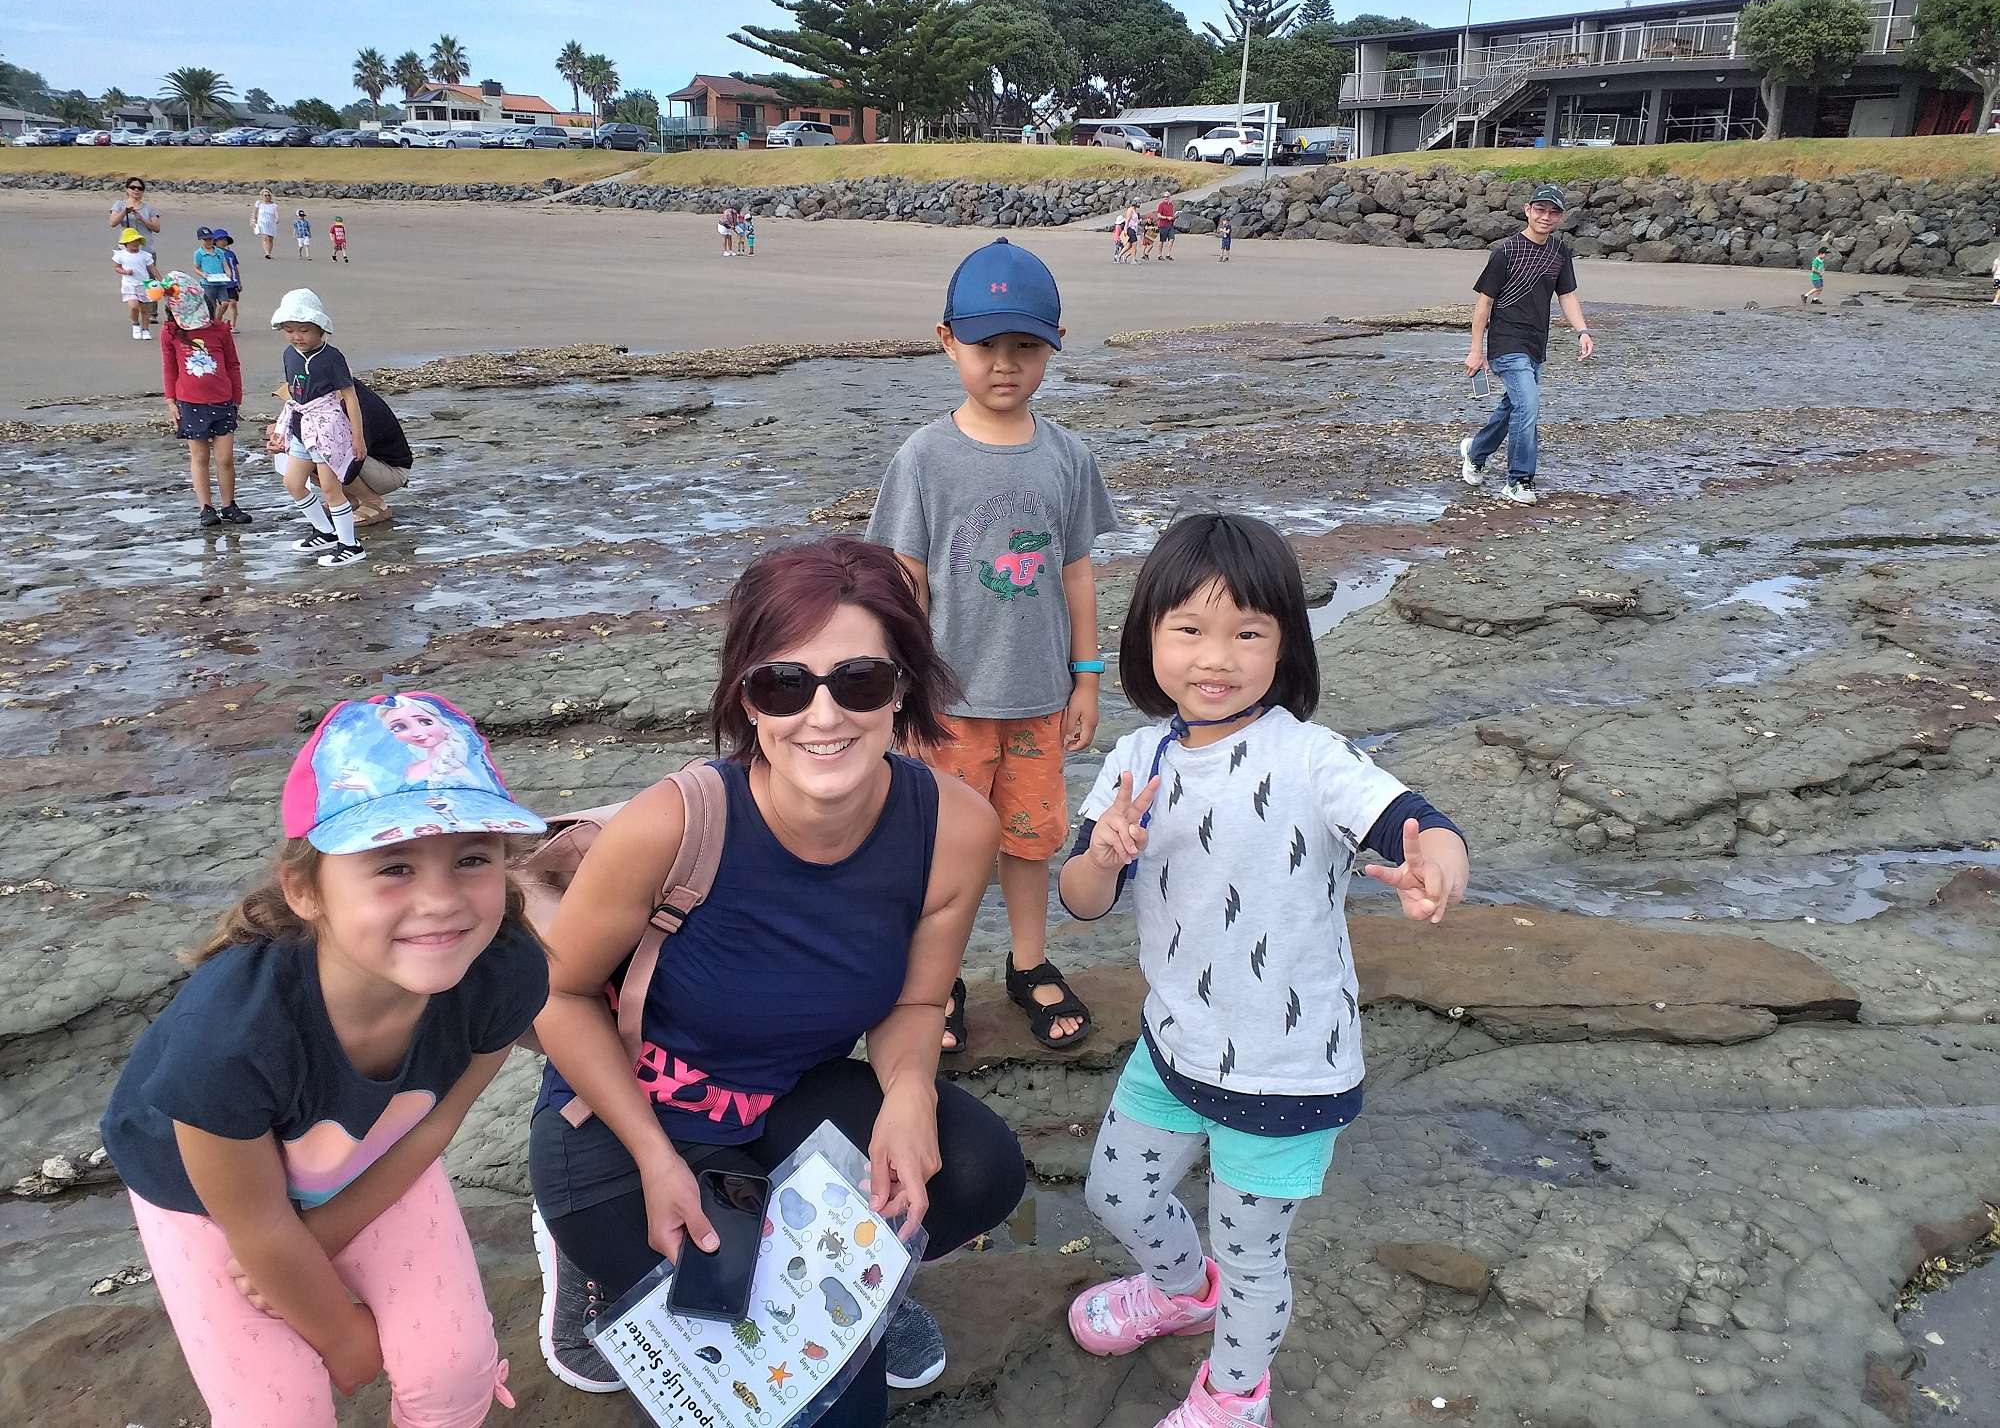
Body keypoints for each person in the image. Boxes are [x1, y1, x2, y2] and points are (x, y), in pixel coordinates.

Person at [529, 537, 1025, 1424]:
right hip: (629, 1121)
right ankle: (591, 1265)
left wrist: (909, 1093)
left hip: (785, 1095)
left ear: (903, 686)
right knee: (813, 1398)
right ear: (746, 697)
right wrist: (653, 1158)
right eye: (784, 684)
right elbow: (557, 995)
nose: (823, 715)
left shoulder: (952, 828)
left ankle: (856, 1284)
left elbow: (917, 1001)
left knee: (978, 1169)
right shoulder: (671, 826)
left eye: (860, 681)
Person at [1059, 512, 1469, 1428]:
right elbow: (1081, 900)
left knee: (1251, 1257)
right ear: (1147, 637)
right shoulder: (1136, 759)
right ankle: (1179, 1291)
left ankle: (1236, 1396)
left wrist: (1438, 868)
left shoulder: (1312, 759)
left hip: (1286, 1070)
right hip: (1173, 1045)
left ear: (1285, 646)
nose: (1217, 658)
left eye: (1248, 633)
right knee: (1116, 1194)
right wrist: (1104, 854)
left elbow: (1420, 823)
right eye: (1189, 629)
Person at [97, 691, 550, 1427]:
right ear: (306, 891)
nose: (441, 900)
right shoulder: (229, 1039)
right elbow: (257, 1228)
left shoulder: (505, 972)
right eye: (393, 867)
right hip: (206, 1201)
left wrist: (327, 1233)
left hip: (371, 1157)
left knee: (453, 1369)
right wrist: (343, 1336)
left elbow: (436, 1126)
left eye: (472, 859)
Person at [867, 237, 1118, 1054]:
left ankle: (1029, 961)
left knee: (1031, 839)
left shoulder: (1068, 456)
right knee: (943, 848)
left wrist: (1088, 678)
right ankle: (937, 977)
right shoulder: (923, 458)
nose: (1005, 365)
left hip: (1039, 698)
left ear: (1054, 346)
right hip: (947, 703)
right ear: (948, 342)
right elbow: (904, 583)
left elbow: (1075, 574)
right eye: (985, 346)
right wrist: (898, 690)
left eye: (1025, 348)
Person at [1458, 182, 1593, 507]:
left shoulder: (1559, 252)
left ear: (1561, 217)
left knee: (1515, 407)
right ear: (1528, 211)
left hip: (1535, 344)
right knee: (1529, 405)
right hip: (1506, 343)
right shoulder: (1505, 252)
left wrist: (1582, 331)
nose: (1546, 217)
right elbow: (1484, 303)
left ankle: (1475, 451)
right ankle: (1519, 481)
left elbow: (1567, 295)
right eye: (1540, 210)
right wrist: (1476, 350)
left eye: (1553, 212)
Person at [271, 288, 368, 567]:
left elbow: (350, 396)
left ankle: (350, 545)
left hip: (327, 427)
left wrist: (357, 437)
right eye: (289, 330)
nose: (297, 337)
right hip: (302, 425)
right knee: (292, 482)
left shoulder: (331, 357)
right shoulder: (289, 355)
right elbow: (293, 392)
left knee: (330, 487)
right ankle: (325, 531)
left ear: (320, 328)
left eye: (304, 330)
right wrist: (282, 429)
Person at [158, 272, 249, 528]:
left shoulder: (219, 330)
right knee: (199, 457)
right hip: (190, 402)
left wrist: (237, 397)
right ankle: (206, 507)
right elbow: (169, 368)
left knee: (225, 458)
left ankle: (229, 505)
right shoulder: (171, 333)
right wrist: (171, 401)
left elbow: (233, 365)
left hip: (223, 401)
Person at [268, 379, 414, 528]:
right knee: (302, 451)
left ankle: (372, 502)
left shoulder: (356, 405)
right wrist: (283, 435)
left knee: (322, 450)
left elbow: (355, 450)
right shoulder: (328, 404)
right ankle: (348, 498)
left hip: (390, 471)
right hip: (369, 465)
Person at [109, 177, 163, 326]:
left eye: (139, 188)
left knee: (150, 280)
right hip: (127, 251)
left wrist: (141, 218)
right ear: (127, 189)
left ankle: (152, 312)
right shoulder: (119, 204)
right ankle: (136, 309)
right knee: (132, 279)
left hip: (146, 249)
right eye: (133, 187)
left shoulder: (149, 208)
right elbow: (112, 222)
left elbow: (156, 228)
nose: (136, 190)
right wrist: (124, 212)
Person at [113, 227, 160, 340]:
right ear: (126, 243)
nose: (135, 243)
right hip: (129, 285)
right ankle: (135, 324)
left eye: (137, 241)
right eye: (132, 241)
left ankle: (145, 330)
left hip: (143, 284)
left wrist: (160, 280)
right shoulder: (120, 255)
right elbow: (117, 268)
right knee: (134, 306)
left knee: (145, 310)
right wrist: (125, 272)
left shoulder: (145, 255)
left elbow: (153, 269)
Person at [192, 226, 231, 317]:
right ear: (201, 240)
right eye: (206, 240)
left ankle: (218, 317)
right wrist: (203, 274)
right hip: (208, 284)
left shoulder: (219, 252)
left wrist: (228, 272)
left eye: (210, 239)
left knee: (225, 303)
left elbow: (224, 264)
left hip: (221, 282)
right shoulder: (198, 253)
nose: (208, 242)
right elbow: (196, 268)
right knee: (211, 305)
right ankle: (213, 320)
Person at [212, 228, 243, 325]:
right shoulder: (213, 254)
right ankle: (218, 319)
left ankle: (233, 325)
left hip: (232, 283)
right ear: (215, 242)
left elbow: (235, 268)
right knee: (223, 304)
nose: (223, 242)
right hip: (220, 282)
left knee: (233, 303)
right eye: (220, 239)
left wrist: (238, 282)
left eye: (225, 239)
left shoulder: (231, 254)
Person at [253, 188, 280, 260]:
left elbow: (276, 214)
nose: (267, 197)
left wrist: (277, 219)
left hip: (271, 223)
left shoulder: (274, 205)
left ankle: (269, 253)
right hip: (262, 223)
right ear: (262, 196)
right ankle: (267, 253)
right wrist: (253, 221)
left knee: (270, 239)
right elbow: (254, 212)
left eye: (268, 195)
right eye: (265, 195)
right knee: (265, 237)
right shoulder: (259, 203)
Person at [1156, 193, 1178, 260]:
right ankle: (1159, 255)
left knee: (1172, 239)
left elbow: (1171, 214)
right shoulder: (1161, 205)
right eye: (1164, 197)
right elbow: (1158, 215)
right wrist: (1166, 217)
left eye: (1167, 197)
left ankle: (1168, 254)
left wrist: (1174, 217)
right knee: (1162, 240)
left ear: (1169, 197)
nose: (1165, 198)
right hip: (1163, 225)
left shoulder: (1171, 205)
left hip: (1170, 225)